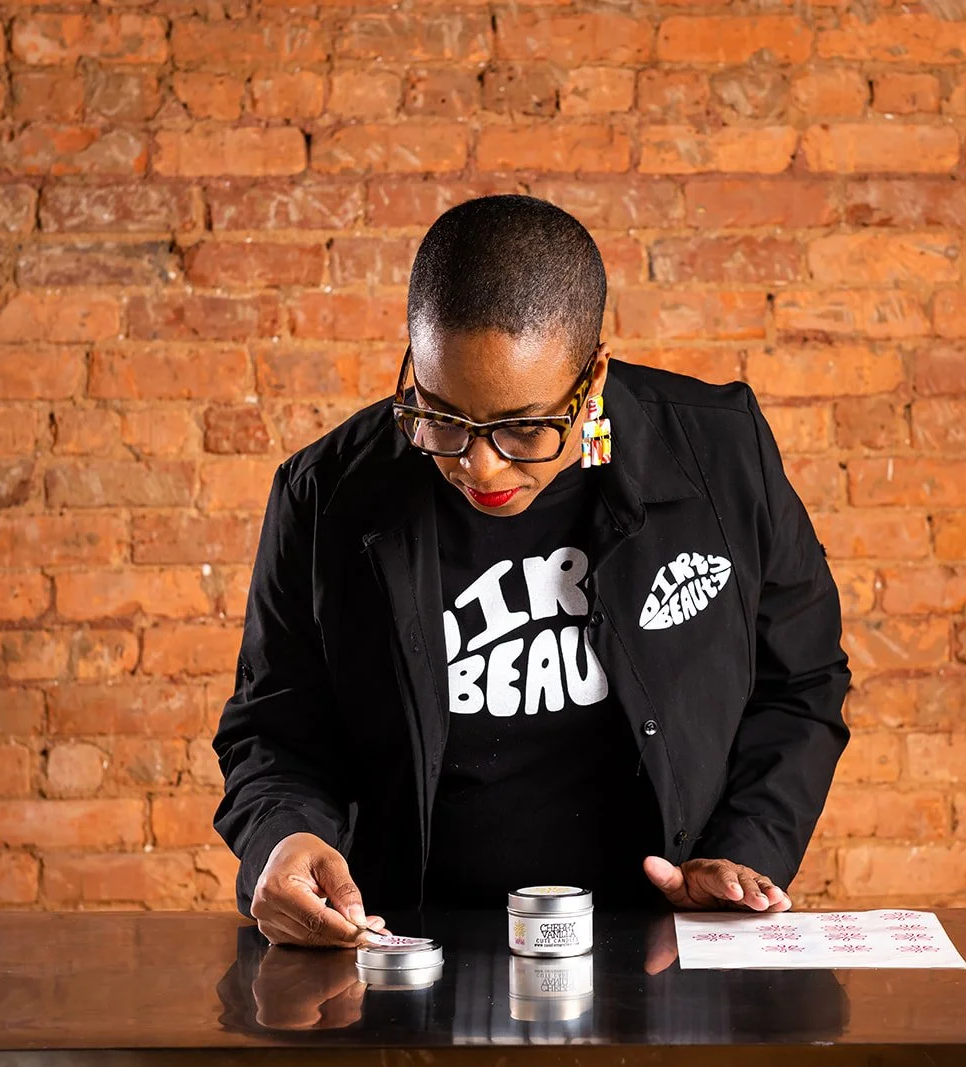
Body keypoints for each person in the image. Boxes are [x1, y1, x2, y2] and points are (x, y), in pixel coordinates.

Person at [211, 193, 851, 948]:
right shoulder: (328, 495)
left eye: (523, 426)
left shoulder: (720, 458)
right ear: (414, 363)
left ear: (594, 379)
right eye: (441, 415)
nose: (478, 464)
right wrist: (279, 840)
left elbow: (801, 681)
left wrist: (745, 849)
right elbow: (275, 731)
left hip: (659, 943)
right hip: (407, 947)